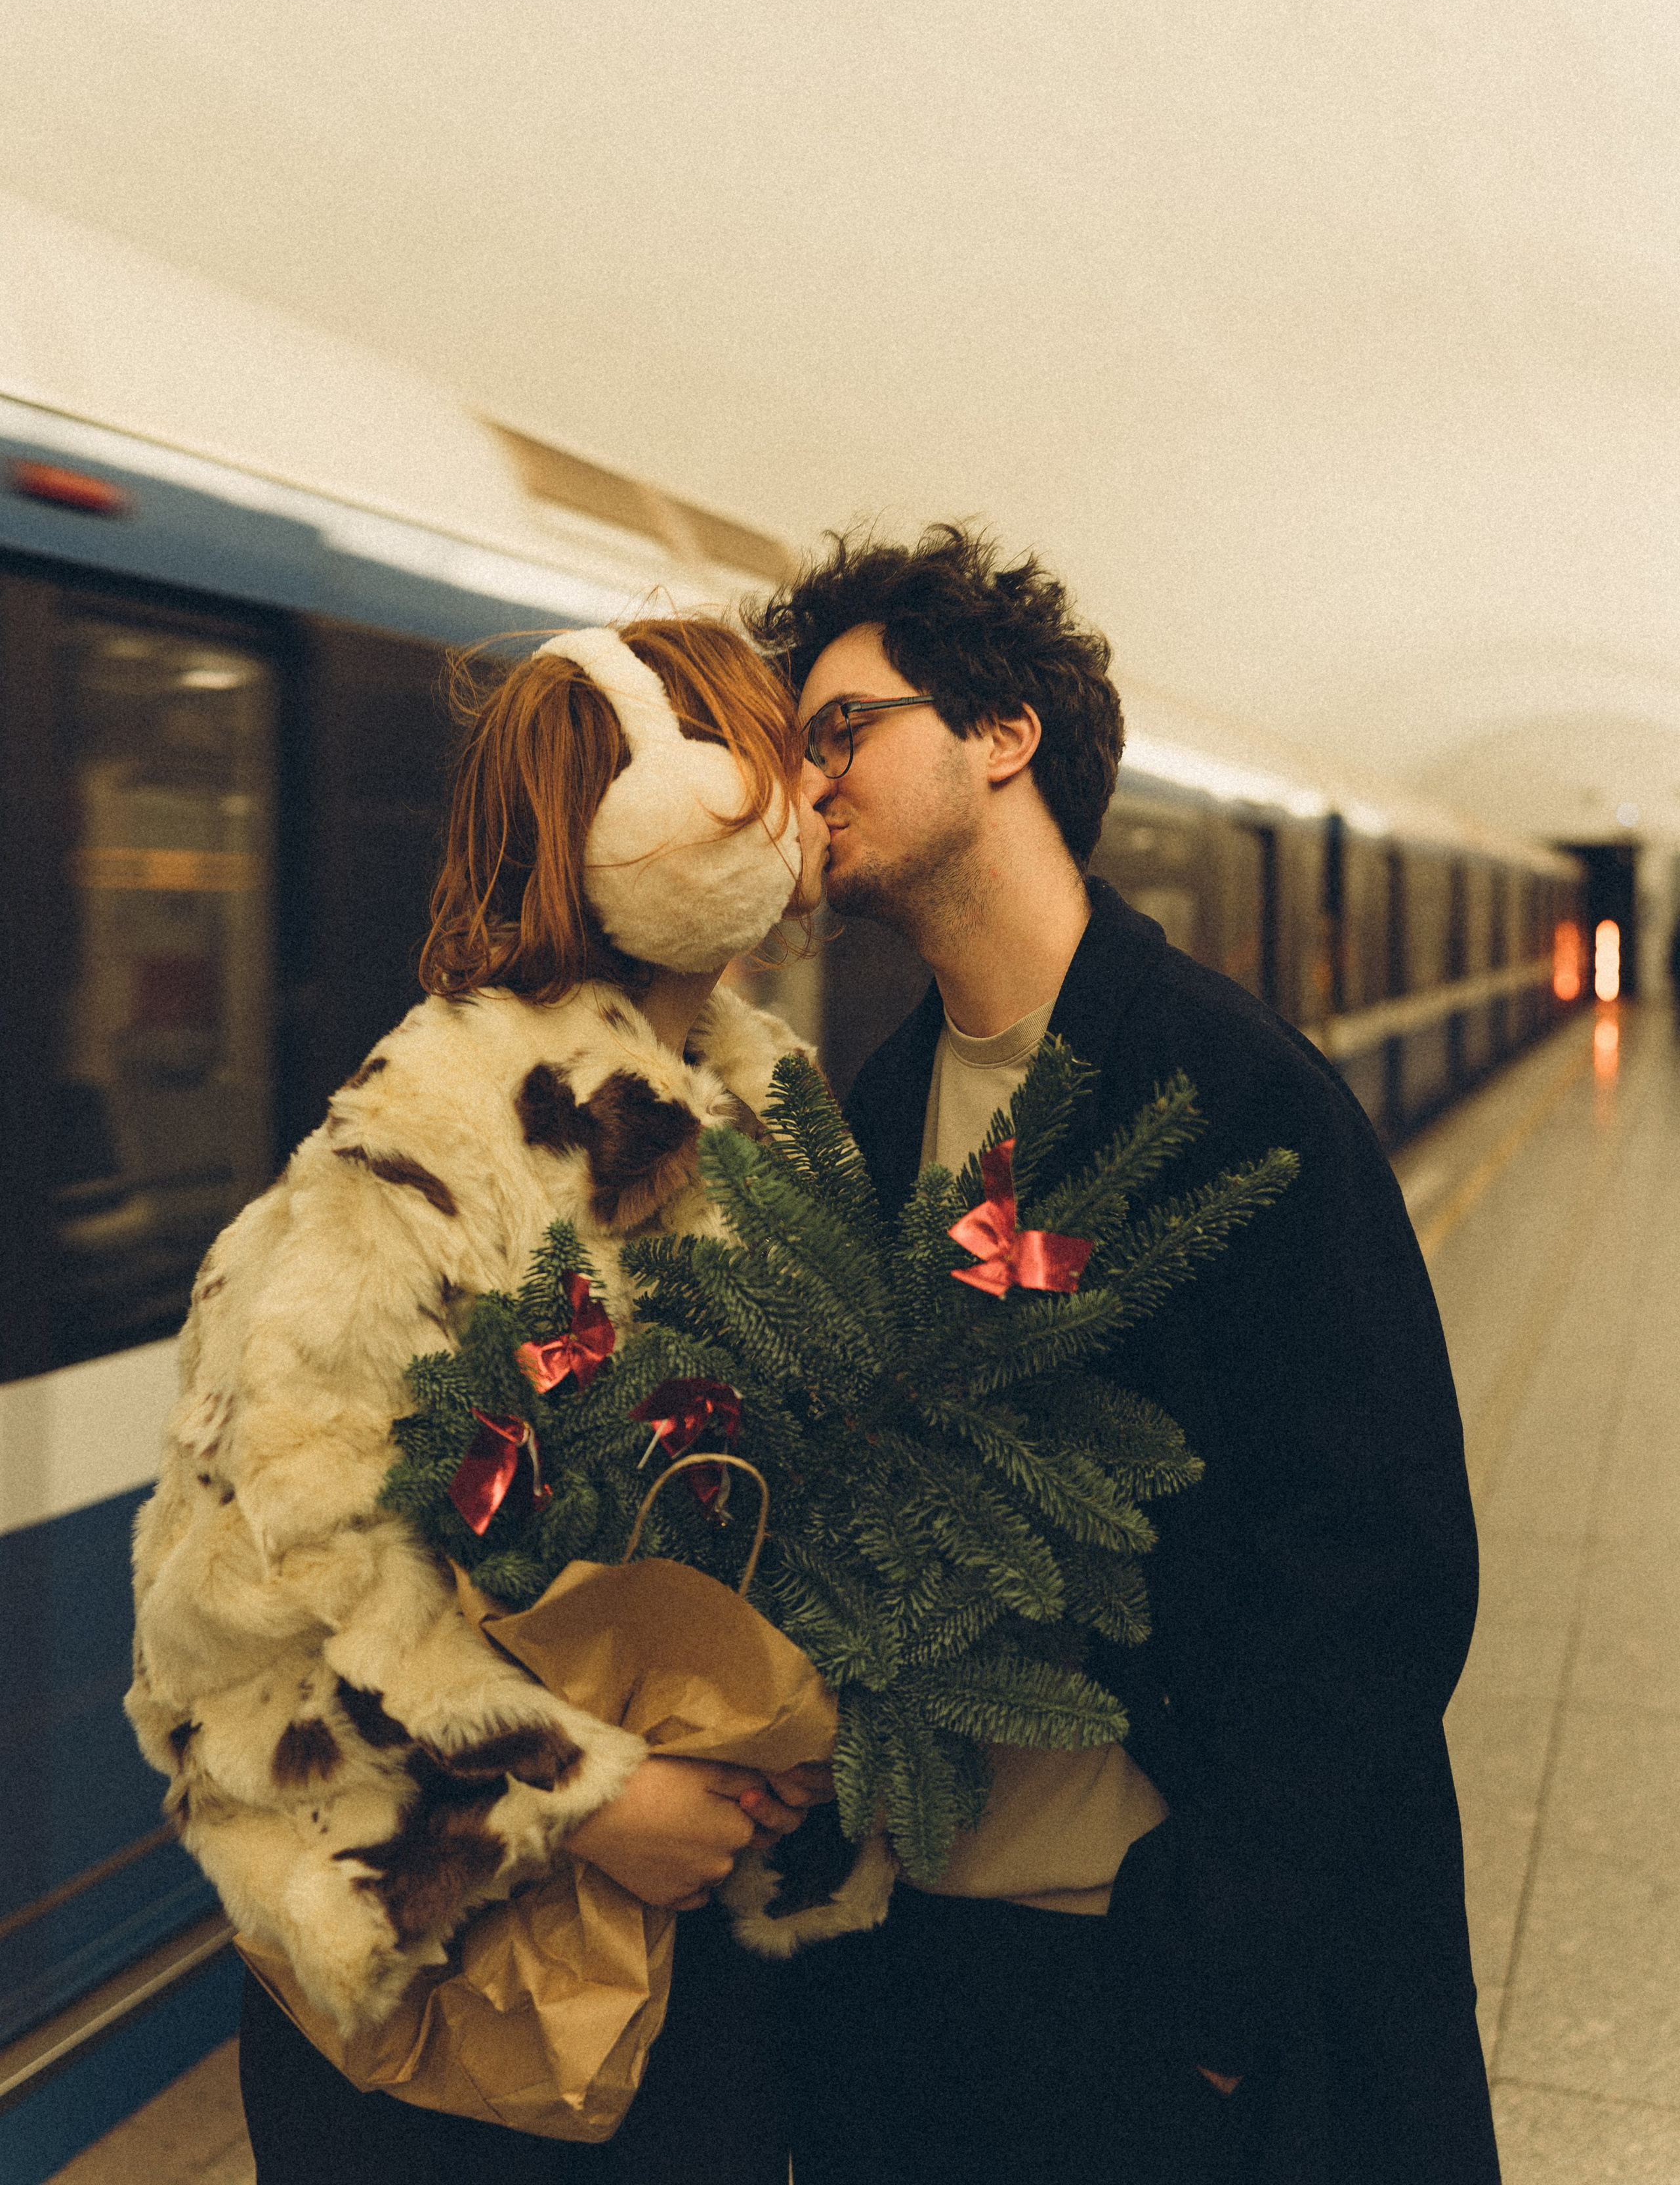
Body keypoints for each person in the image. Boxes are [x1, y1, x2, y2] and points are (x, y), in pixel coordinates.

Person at [746, 528, 1500, 2185]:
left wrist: (1209, 1960)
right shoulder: (880, 1103)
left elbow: (1379, 1563)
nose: (808, 785)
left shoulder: (1228, 1093)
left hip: (1136, 1974)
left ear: (1001, 735)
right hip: (914, 1961)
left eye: (842, 730)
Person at [126, 618, 832, 2185]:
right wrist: (590, 1794)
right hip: (451, 1966)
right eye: (768, 762)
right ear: (668, 814)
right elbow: (305, 1556)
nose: (803, 805)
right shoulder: (434, 1132)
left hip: (675, 1943)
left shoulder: (763, 1103)